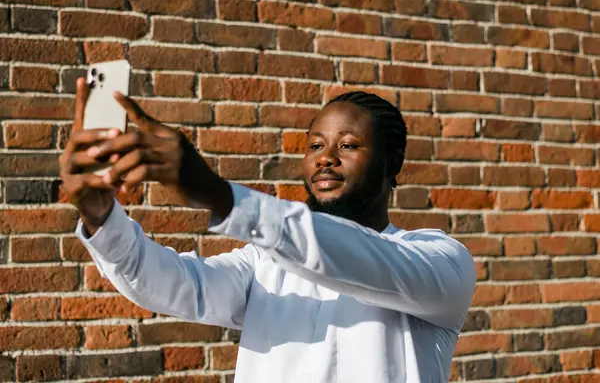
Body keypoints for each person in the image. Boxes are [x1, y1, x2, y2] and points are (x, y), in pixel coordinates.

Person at [60, 78, 476, 383]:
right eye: (315, 145)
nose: (325, 158)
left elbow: (359, 260)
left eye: (347, 145)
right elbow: (174, 284)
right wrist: (103, 218)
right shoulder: (264, 262)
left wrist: (220, 194)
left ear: (393, 162)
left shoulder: (441, 263)